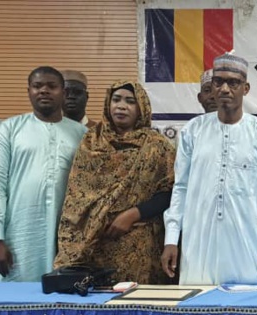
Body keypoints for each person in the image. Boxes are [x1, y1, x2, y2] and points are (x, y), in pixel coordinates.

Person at [161, 54, 257, 285]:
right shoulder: (193, 131)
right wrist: (171, 238)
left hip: (250, 247)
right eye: (218, 82)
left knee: (247, 313)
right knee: (199, 311)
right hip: (199, 244)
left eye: (233, 83)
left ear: (246, 88)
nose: (224, 89)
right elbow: (180, 188)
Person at [54, 80, 175, 283]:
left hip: (139, 244)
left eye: (130, 101)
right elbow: (77, 194)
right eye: (116, 99)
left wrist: (133, 214)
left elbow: (170, 192)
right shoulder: (91, 142)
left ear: (141, 108)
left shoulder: (157, 146)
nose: (121, 106)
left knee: (136, 306)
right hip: (95, 243)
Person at [0, 66, 87, 282]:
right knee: (18, 301)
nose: (44, 91)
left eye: (52, 86)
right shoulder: (10, 129)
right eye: (37, 86)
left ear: (64, 92)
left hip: (69, 238)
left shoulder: (82, 135)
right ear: (28, 91)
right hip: (20, 235)